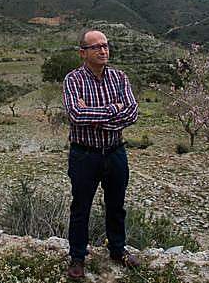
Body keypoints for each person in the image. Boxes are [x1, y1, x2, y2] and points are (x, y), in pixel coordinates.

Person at [62, 30, 140, 279]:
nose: (103, 50)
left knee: (116, 206)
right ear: (83, 52)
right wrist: (113, 110)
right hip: (85, 155)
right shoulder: (73, 80)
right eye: (96, 47)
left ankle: (117, 250)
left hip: (116, 153)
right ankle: (77, 258)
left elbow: (132, 113)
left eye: (105, 46)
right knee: (80, 208)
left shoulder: (119, 77)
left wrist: (97, 113)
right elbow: (77, 115)